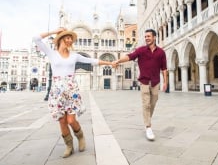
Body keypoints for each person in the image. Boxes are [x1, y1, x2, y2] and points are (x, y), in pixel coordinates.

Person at [33, 27, 117, 158]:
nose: (70, 41)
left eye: (71, 39)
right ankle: (69, 146)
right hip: (57, 91)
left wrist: (110, 63)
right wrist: (54, 31)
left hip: (71, 89)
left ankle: (81, 137)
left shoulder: (74, 56)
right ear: (61, 39)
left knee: (71, 120)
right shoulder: (51, 53)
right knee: (62, 120)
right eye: (67, 38)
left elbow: (92, 61)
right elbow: (36, 38)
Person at [113, 29, 168, 141]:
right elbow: (130, 56)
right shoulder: (141, 50)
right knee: (146, 104)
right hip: (144, 81)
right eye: (145, 36)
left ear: (154, 37)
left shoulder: (161, 52)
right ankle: (148, 127)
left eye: (149, 36)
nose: (146, 38)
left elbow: (164, 69)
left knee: (153, 103)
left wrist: (165, 82)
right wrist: (118, 61)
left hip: (155, 82)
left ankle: (146, 120)